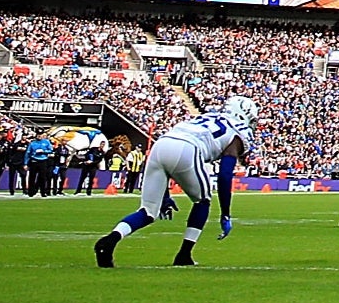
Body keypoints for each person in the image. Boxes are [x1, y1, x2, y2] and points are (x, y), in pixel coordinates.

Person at [93, 95, 254, 269]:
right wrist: (225, 213)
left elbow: (172, 152)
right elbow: (224, 174)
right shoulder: (239, 131)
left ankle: (110, 240)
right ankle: (184, 254)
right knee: (203, 201)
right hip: (188, 148)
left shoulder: (205, 116)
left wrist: (165, 193)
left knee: (148, 211)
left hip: (161, 144)